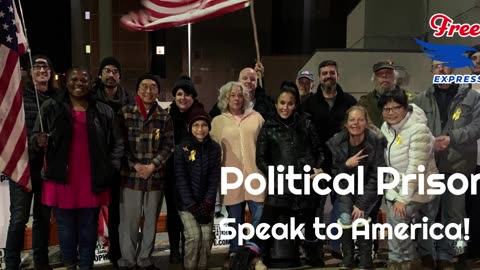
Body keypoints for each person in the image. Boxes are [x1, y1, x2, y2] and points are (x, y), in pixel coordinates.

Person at [32, 66, 122, 270]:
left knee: (89, 229)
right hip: (62, 178)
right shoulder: (50, 106)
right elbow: (35, 136)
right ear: (66, 81)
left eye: (84, 80)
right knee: (65, 229)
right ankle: (70, 265)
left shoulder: (103, 109)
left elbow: (118, 143)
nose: (79, 83)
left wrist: (112, 167)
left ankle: (86, 266)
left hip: (92, 178)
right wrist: (38, 140)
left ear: (91, 83)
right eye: (74, 79)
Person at [229, 85, 325, 269]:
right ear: (276, 103)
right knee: (264, 227)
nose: (285, 107)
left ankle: (313, 256)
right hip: (280, 187)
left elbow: (319, 151)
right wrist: (277, 174)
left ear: (295, 105)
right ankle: (244, 260)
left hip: (306, 186)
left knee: (311, 227)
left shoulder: (306, 123)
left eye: (290, 103)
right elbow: (261, 159)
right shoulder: (269, 126)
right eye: (282, 103)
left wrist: (316, 168)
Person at [414, 59, 480, 269]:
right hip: (429, 165)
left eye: (445, 65)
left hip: (458, 165)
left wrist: (452, 137)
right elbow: (413, 129)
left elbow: (477, 127)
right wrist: (429, 143)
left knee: (455, 214)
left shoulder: (471, 96)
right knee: (428, 212)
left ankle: (450, 253)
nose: (441, 69)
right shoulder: (420, 99)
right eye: (436, 66)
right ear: (431, 70)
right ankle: (427, 252)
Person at [117, 73, 174, 270]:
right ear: (137, 90)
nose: (148, 91)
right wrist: (134, 164)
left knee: (151, 221)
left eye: (153, 87)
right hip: (131, 177)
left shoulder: (164, 116)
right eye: (144, 87)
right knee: (129, 222)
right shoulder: (125, 113)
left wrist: (153, 165)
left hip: (155, 177)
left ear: (158, 91)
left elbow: (169, 145)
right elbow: (119, 144)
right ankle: (128, 260)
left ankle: (145, 259)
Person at [5, 55, 58, 270]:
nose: (42, 70)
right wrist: (34, 141)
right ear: (30, 71)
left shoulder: (57, 98)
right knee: (18, 219)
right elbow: (11, 134)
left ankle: (41, 261)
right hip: (23, 166)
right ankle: (11, 263)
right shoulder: (19, 97)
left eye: (46, 66)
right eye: (37, 66)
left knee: (43, 219)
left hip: (47, 170)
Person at [301, 59, 357, 258]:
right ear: (319, 77)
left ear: (338, 75)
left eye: (332, 72)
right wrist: (309, 164)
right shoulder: (307, 104)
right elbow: (303, 137)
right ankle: (314, 247)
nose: (328, 76)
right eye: (324, 73)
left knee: (341, 206)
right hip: (317, 167)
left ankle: (336, 246)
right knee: (315, 208)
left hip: (343, 165)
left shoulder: (350, 102)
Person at [379, 89, 439, 270]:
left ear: (406, 108)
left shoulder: (418, 129)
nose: (391, 112)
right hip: (397, 185)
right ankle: (402, 260)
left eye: (396, 107)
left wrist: (403, 199)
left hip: (420, 187)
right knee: (396, 222)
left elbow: (416, 168)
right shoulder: (386, 128)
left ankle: (401, 262)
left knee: (399, 220)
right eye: (386, 108)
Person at [210, 81, 265, 268]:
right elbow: (212, 150)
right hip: (230, 176)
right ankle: (235, 252)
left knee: (259, 214)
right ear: (226, 98)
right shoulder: (217, 122)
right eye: (232, 95)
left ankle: (255, 251)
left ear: (245, 98)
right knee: (235, 218)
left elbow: (265, 145)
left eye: (240, 95)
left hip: (255, 174)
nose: (236, 98)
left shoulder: (256, 117)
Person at [326, 106, 386, 269]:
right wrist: (346, 165)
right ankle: (348, 257)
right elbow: (336, 177)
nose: (356, 123)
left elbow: (377, 177)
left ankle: (366, 258)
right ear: (346, 123)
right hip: (345, 189)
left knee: (362, 218)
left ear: (366, 123)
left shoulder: (376, 142)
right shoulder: (337, 142)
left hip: (369, 190)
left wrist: (361, 204)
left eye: (360, 119)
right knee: (345, 217)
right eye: (352, 120)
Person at [92, 56, 132, 266]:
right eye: (107, 70)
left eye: (115, 71)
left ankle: (115, 254)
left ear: (119, 76)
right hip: (95, 164)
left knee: (117, 214)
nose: (111, 75)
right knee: (91, 213)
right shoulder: (91, 99)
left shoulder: (129, 100)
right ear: (100, 74)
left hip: (121, 165)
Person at [174, 107, 221, 270]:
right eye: (196, 125)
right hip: (187, 205)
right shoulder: (182, 148)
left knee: (207, 238)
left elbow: (213, 178)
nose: (200, 129)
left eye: (203, 125)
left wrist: (207, 203)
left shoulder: (215, 148)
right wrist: (193, 207)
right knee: (194, 237)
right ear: (190, 127)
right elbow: (181, 180)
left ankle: (202, 266)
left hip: (205, 203)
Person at [165, 75, 205, 263]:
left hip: (193, 175)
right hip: (172, 174)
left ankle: (190, 250)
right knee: (173, 213)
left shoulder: (200, 115)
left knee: (190, 212)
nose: (183, 98)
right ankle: (174, 250)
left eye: (187, 94)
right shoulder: (167, 115)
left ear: (193, 97)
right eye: (179, 94)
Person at [359, 60, 414, 128]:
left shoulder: (408, 99)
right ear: (374, 79)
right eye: (380, 74)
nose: (384, 76)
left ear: (395, 77)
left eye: (388, 73)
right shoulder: (365, 102)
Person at [209, 63, 275, 119]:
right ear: (238, 81)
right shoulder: (226, 100)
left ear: (256, 83)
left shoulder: (265, 103)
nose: (249, 81)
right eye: (245, 78)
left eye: (252, 79)